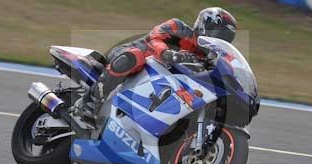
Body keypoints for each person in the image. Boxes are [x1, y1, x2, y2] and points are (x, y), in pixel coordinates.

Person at [75, 7, 237, 125]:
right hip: (129, 57)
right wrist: (168, 54)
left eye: (224, 39)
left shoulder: (206, 58)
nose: (220, 41)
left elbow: (229, 68)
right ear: (204, 26)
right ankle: (90, 102)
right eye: (218, 35)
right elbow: (155, 38)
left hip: (153, 81)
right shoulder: (178, 27)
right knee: (134, 56)